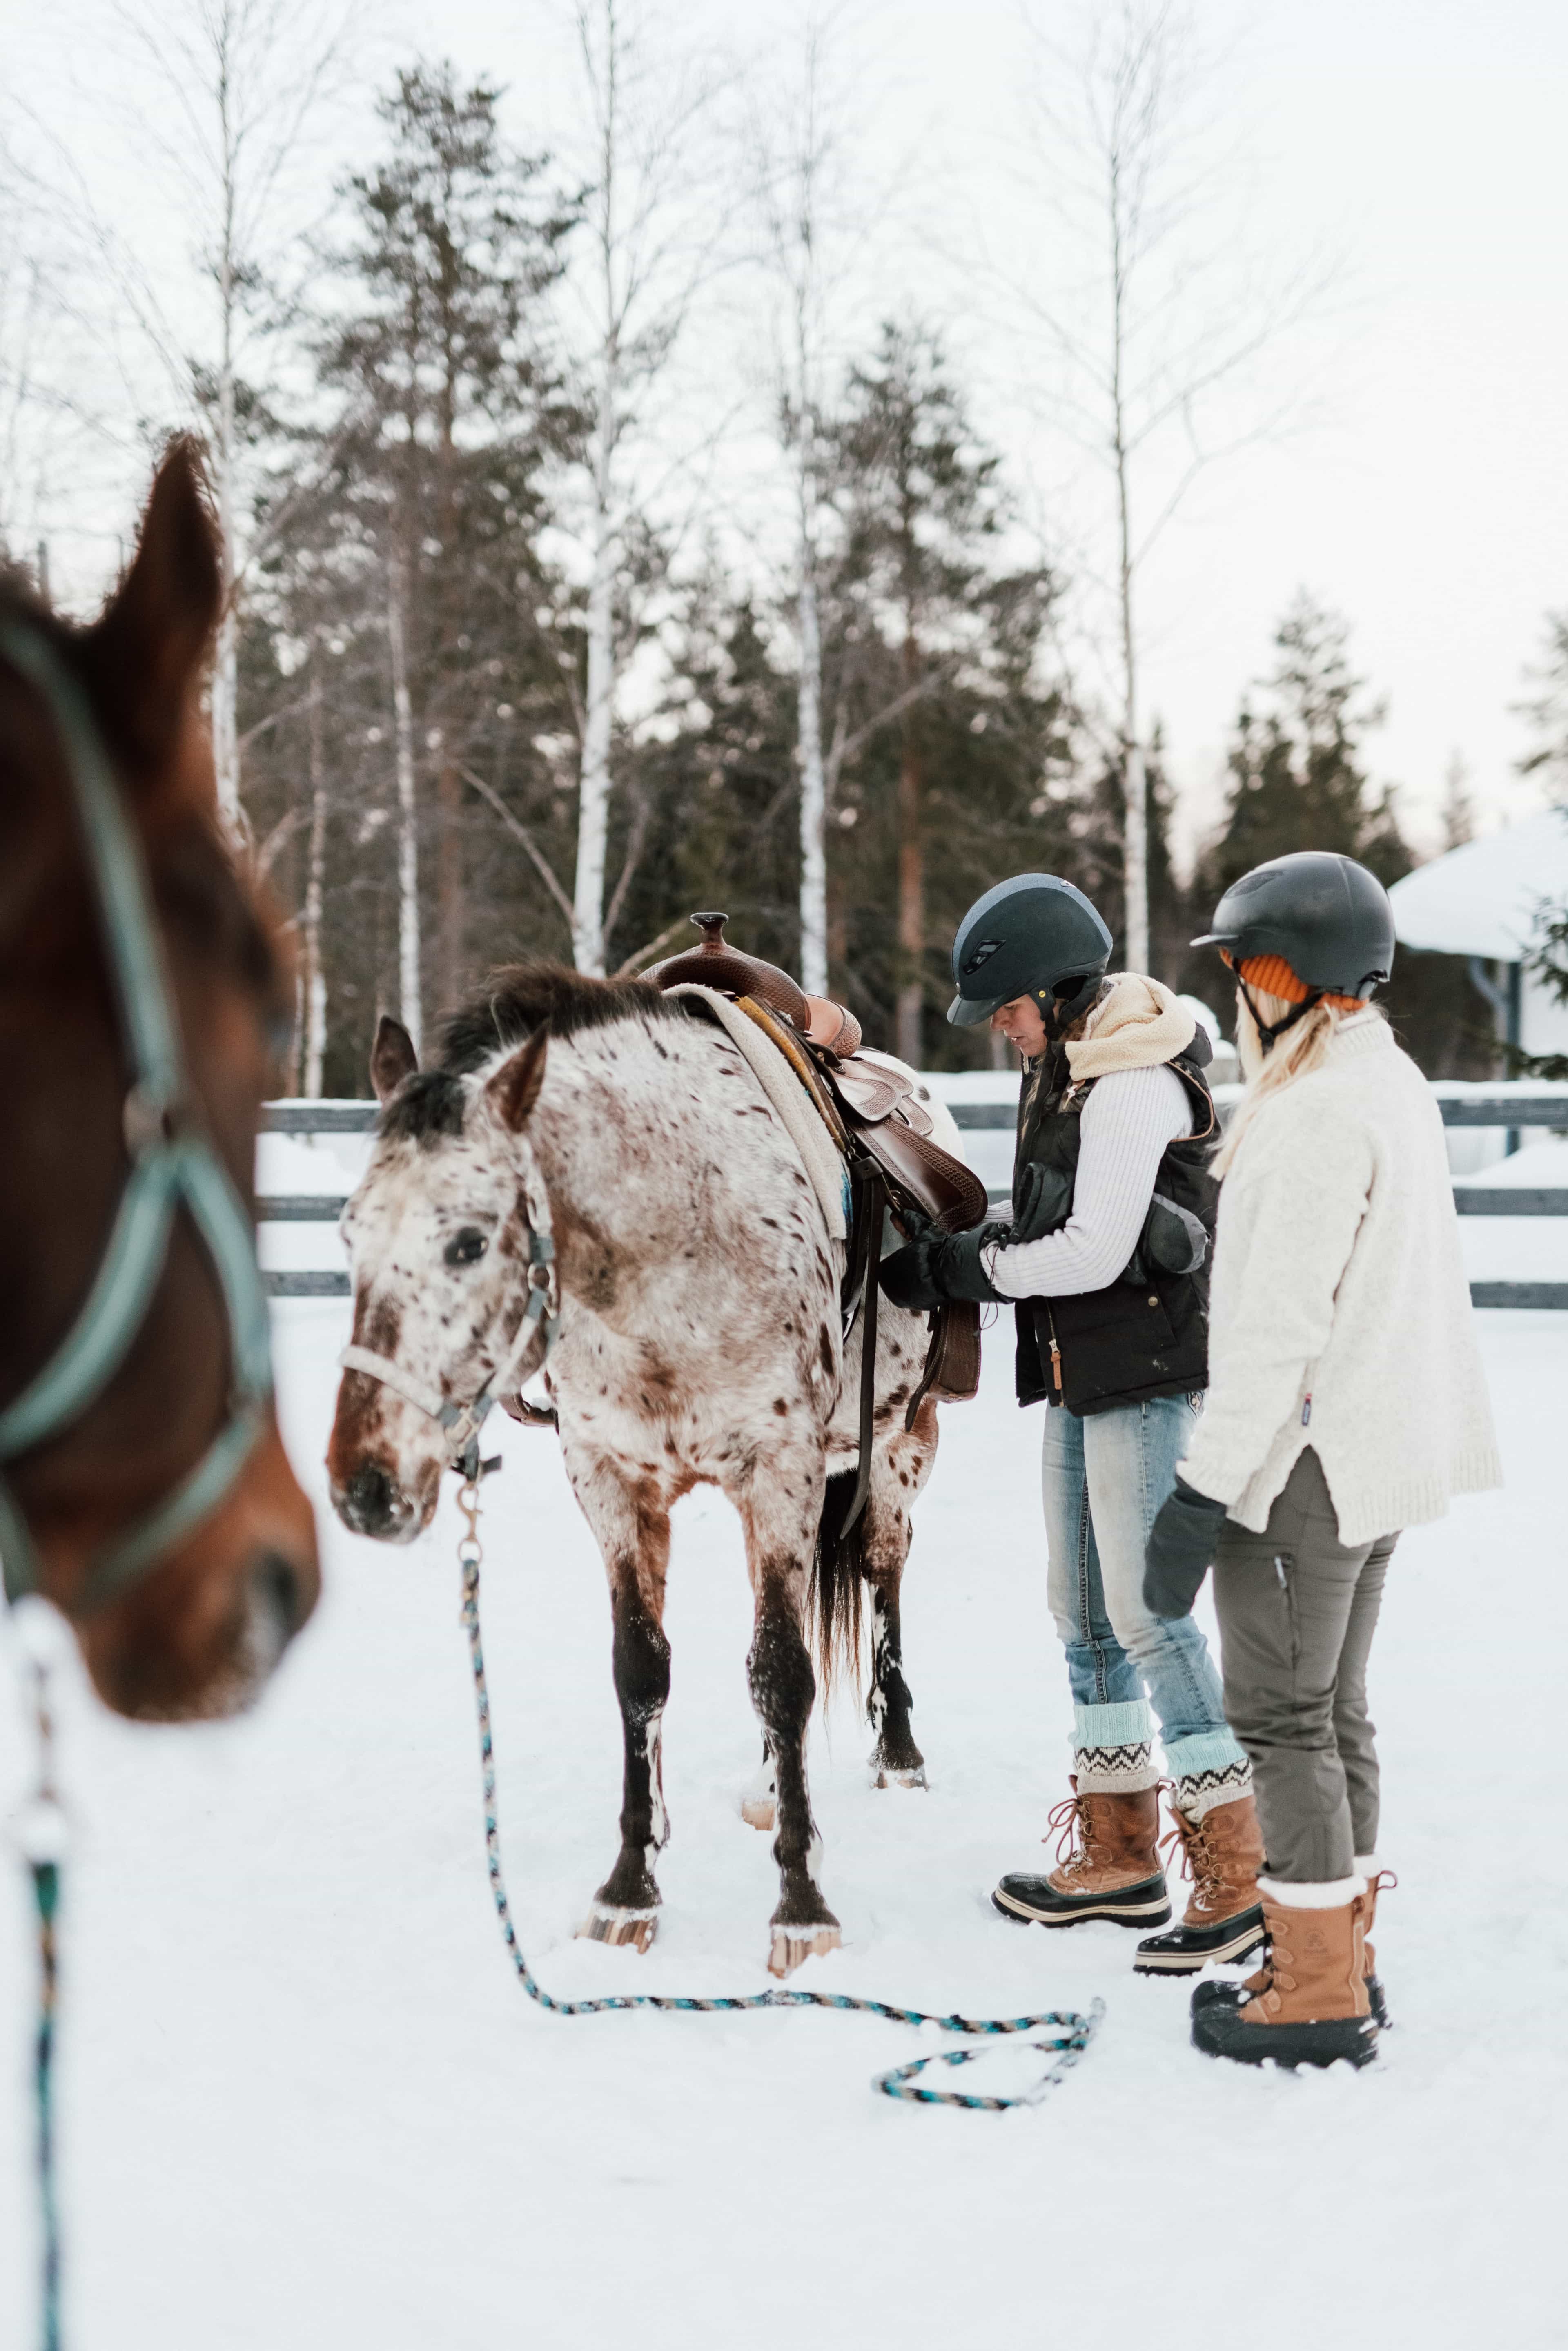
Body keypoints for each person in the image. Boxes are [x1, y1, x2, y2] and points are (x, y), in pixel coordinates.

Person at [1145, 850, 1501, 2068]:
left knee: (1282, 1718)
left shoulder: (1307, 1117)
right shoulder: (1386, 1079)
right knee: (1333, 1712)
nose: (1238, 994)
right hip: (1374, 1453)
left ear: (1283, 975)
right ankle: (1333, 1953)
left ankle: (1311, 1994)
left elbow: (1275, 1334)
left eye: (1244, 969)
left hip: (1305, 1467)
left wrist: (1198, 1493)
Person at [880, 874, 1265, 1976]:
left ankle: (1233, 1871)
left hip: (1142, 1372)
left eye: (1006, 1008)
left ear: (1057, 988)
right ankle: (1118, 1852)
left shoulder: (1133, 1078)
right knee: (1084, 1614)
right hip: (1077, 1368)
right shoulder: (1063, 1067)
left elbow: (1093, 1250)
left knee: (1150, 1616)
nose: (999, 1030)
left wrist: (964, 1266)